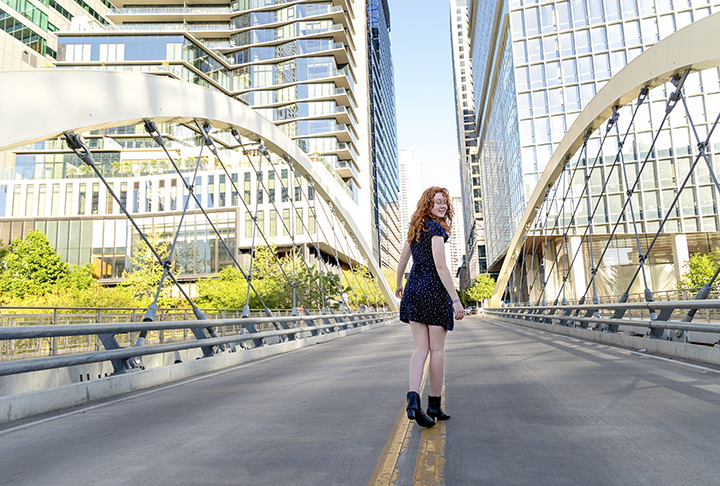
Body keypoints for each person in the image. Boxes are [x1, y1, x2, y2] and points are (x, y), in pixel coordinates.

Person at [395, 186, 464, 428]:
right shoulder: (435, 228)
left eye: (444, 202)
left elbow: (403, 260)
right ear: (428, 205)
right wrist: (455, 300)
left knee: (420, 348)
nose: (442, 205)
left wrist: (398, 283)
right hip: (433, 290)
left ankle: (413, 399)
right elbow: (441, 266)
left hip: (413, 289)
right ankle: (434, 404)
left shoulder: (415, 228)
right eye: (437, 202)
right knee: (437, 350)